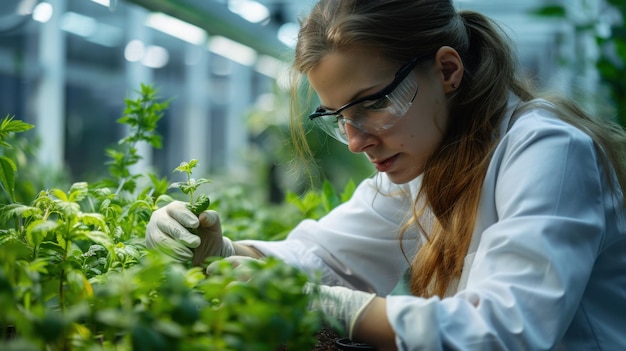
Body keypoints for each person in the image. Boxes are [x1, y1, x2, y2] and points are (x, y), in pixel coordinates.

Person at [145, 0, 626, 349]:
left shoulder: (547, 150)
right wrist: (223, 252)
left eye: (373, 103)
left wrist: (329, 306)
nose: (356, 141)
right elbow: (326, 257)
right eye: (339, 118)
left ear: (447, 70)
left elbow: (505, 330)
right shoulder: (424, 158)